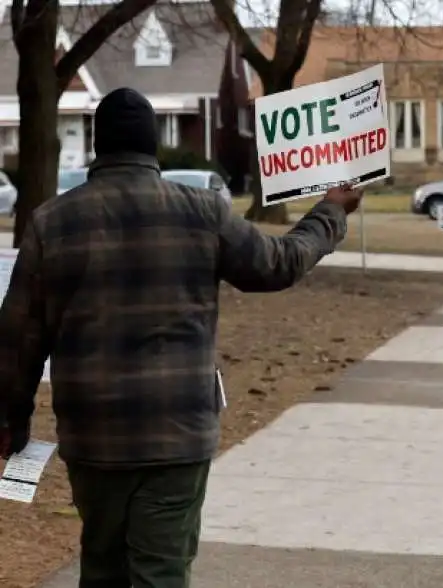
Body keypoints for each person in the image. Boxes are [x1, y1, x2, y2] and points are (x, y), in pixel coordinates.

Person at [0, 87, 363, 588]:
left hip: (93, 436)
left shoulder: (52, 223)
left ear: (98, 146)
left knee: (102, 566)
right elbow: (279, 264)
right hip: (178, 434)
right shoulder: (202, 212)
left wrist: (10, 420)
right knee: (161, 571)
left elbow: (18, 338)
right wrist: (332, 210)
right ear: (153, 148)